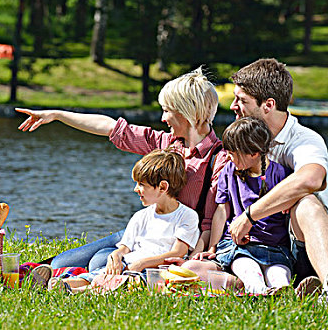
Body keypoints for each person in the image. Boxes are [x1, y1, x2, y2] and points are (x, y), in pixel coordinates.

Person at [16, 67, 228, 271]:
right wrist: (57, 115)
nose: (163, 118)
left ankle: (94, 269)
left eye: (167, 110)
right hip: (142, 231)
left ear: (187, 112)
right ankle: (52, 271)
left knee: (99, 262)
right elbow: (111, 128)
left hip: (170, 242)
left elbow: (208, 222)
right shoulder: (165, 143)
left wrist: (193, 259)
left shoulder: (218, 159)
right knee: (60, 263)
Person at [225, 58, 328, 307]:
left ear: (268, 105)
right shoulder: (242, 139)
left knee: (306, 202)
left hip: (307, 248)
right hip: (260, 247)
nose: (232, 106)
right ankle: (287, 286)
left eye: (242, 101)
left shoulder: (304, 139)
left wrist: (250, 216)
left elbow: (311, 178)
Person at [38, 149, 200, 293]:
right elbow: (124, 248)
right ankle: (62, 284)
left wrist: (143, 263)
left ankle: (75, 290)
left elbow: (178, 252)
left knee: (129, 282)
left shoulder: (187, 216)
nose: (136, 189)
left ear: (163, 187)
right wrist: (115, 256)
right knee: (101, 273)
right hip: (130, 264)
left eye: (141, 184)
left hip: (154, 270)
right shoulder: (141, 216)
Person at [190, 117, 294, 295]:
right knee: (247, 267)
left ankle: (283, 291)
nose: (228, 158)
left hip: (274, 249)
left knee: (278, 272)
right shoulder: (229, 171)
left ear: (253, 153)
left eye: (232, 153)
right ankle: (258, 290)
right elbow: (222, 212)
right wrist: (213, 247)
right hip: (239, 249)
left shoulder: (282, 175)